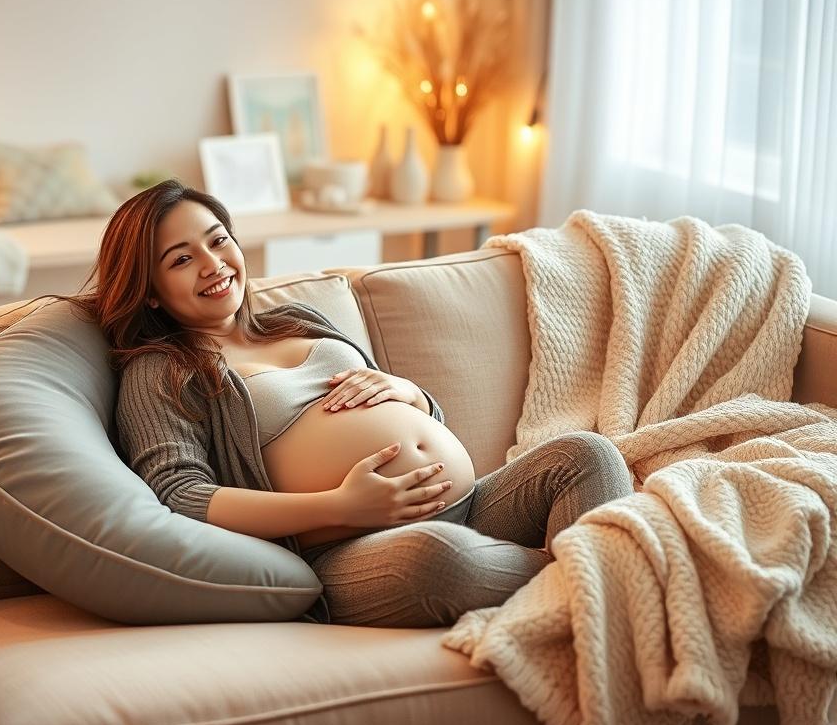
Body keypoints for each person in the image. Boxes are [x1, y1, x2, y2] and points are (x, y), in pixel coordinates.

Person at [65, 179, 634, 627]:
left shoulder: (296, 321)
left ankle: (580, 591)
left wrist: (412, 394)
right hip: (349, 548)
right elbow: (180, 498)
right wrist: (340, 507)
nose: (213, 264)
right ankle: (600, 583)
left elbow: (408, 414)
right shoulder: (161, 370)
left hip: (467, 502)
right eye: (180, 259)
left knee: (589, 456)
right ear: (149, 289)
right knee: (440, 562)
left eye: (218, 239)